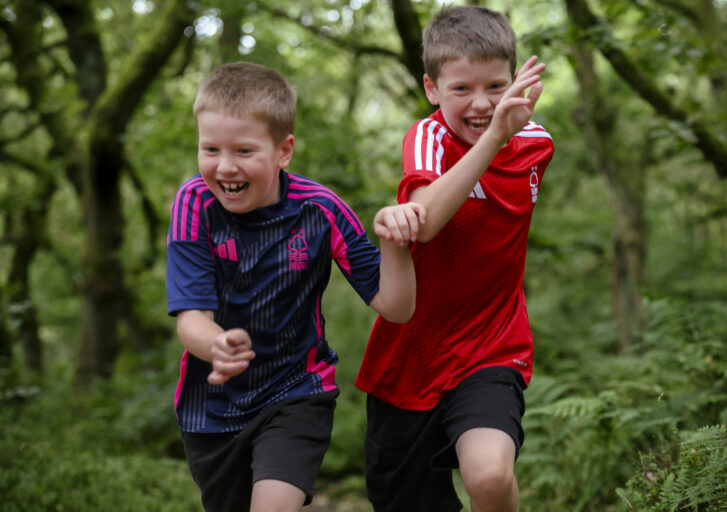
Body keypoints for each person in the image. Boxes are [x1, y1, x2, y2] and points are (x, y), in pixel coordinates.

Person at [165, 61, 425, 512]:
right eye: (210, 149)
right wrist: (218, 345)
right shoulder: (194, 203)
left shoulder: (320, 210)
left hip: (297, 391)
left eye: (244, 151)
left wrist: (395, 245)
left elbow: (396, 306)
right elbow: (191, 319)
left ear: (283, 151)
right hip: (211, 409)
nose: (225, 166)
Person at [355, 5, 554, 512]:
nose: (482, 104)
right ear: (432, 88)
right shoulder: (428, 137)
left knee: (489, 476)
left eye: (496, 86)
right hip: (409, 360)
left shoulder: (537, 145)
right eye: (461, 88)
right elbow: (426, 219)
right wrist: (494, 138)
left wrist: (502, 136)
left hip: (492, 347)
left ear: (516, 82)